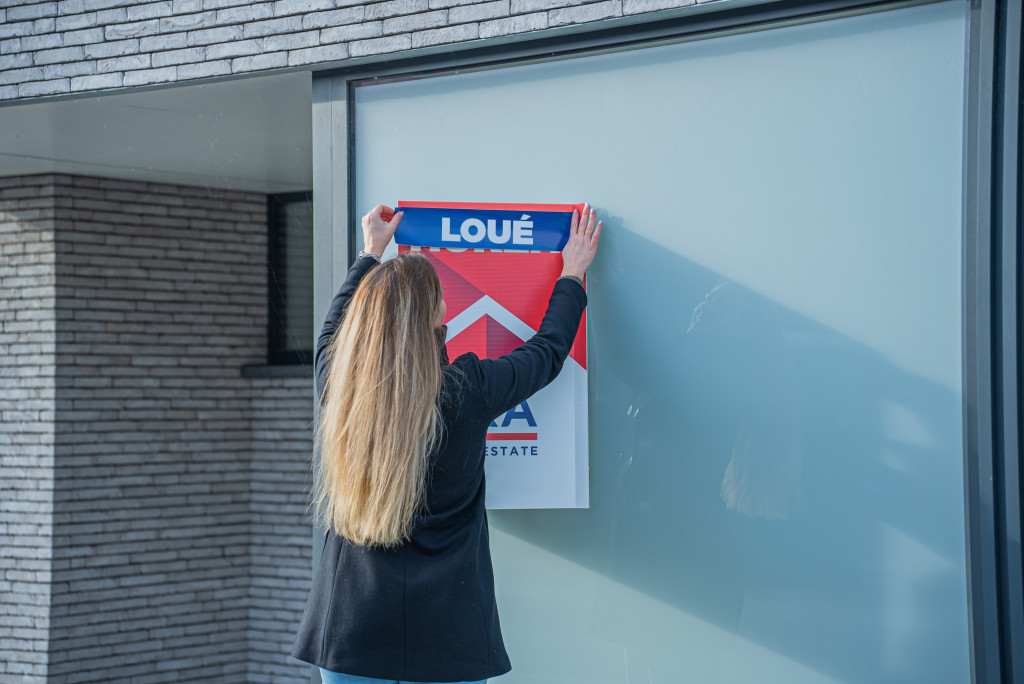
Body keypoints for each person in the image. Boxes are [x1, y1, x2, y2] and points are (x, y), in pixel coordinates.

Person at [291, 202, 602, 684]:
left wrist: (370, 254)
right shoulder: (466, 389)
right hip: (448, 642)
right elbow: (546, 353)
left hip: (350, 636)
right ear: (434, 317)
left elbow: (331, 333)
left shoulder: (342, 388)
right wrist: (572, 274)